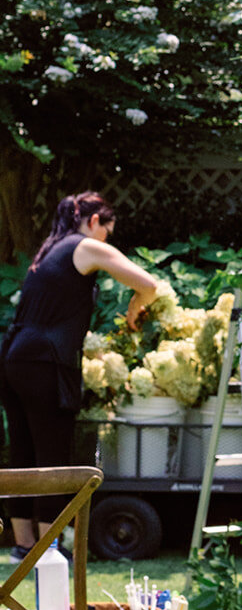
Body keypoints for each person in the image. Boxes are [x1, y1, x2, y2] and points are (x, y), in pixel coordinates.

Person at [0, 192, 158, 554]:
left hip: (13, 359)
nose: (107, 242)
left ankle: (24, 546)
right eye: (107, 231)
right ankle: (48, 549)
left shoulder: (50, 250)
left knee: (24, 454)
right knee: (53, 455)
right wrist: (137, 304)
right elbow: (147, 284)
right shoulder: (85, 246)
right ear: (93, 221)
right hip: (44, 363)